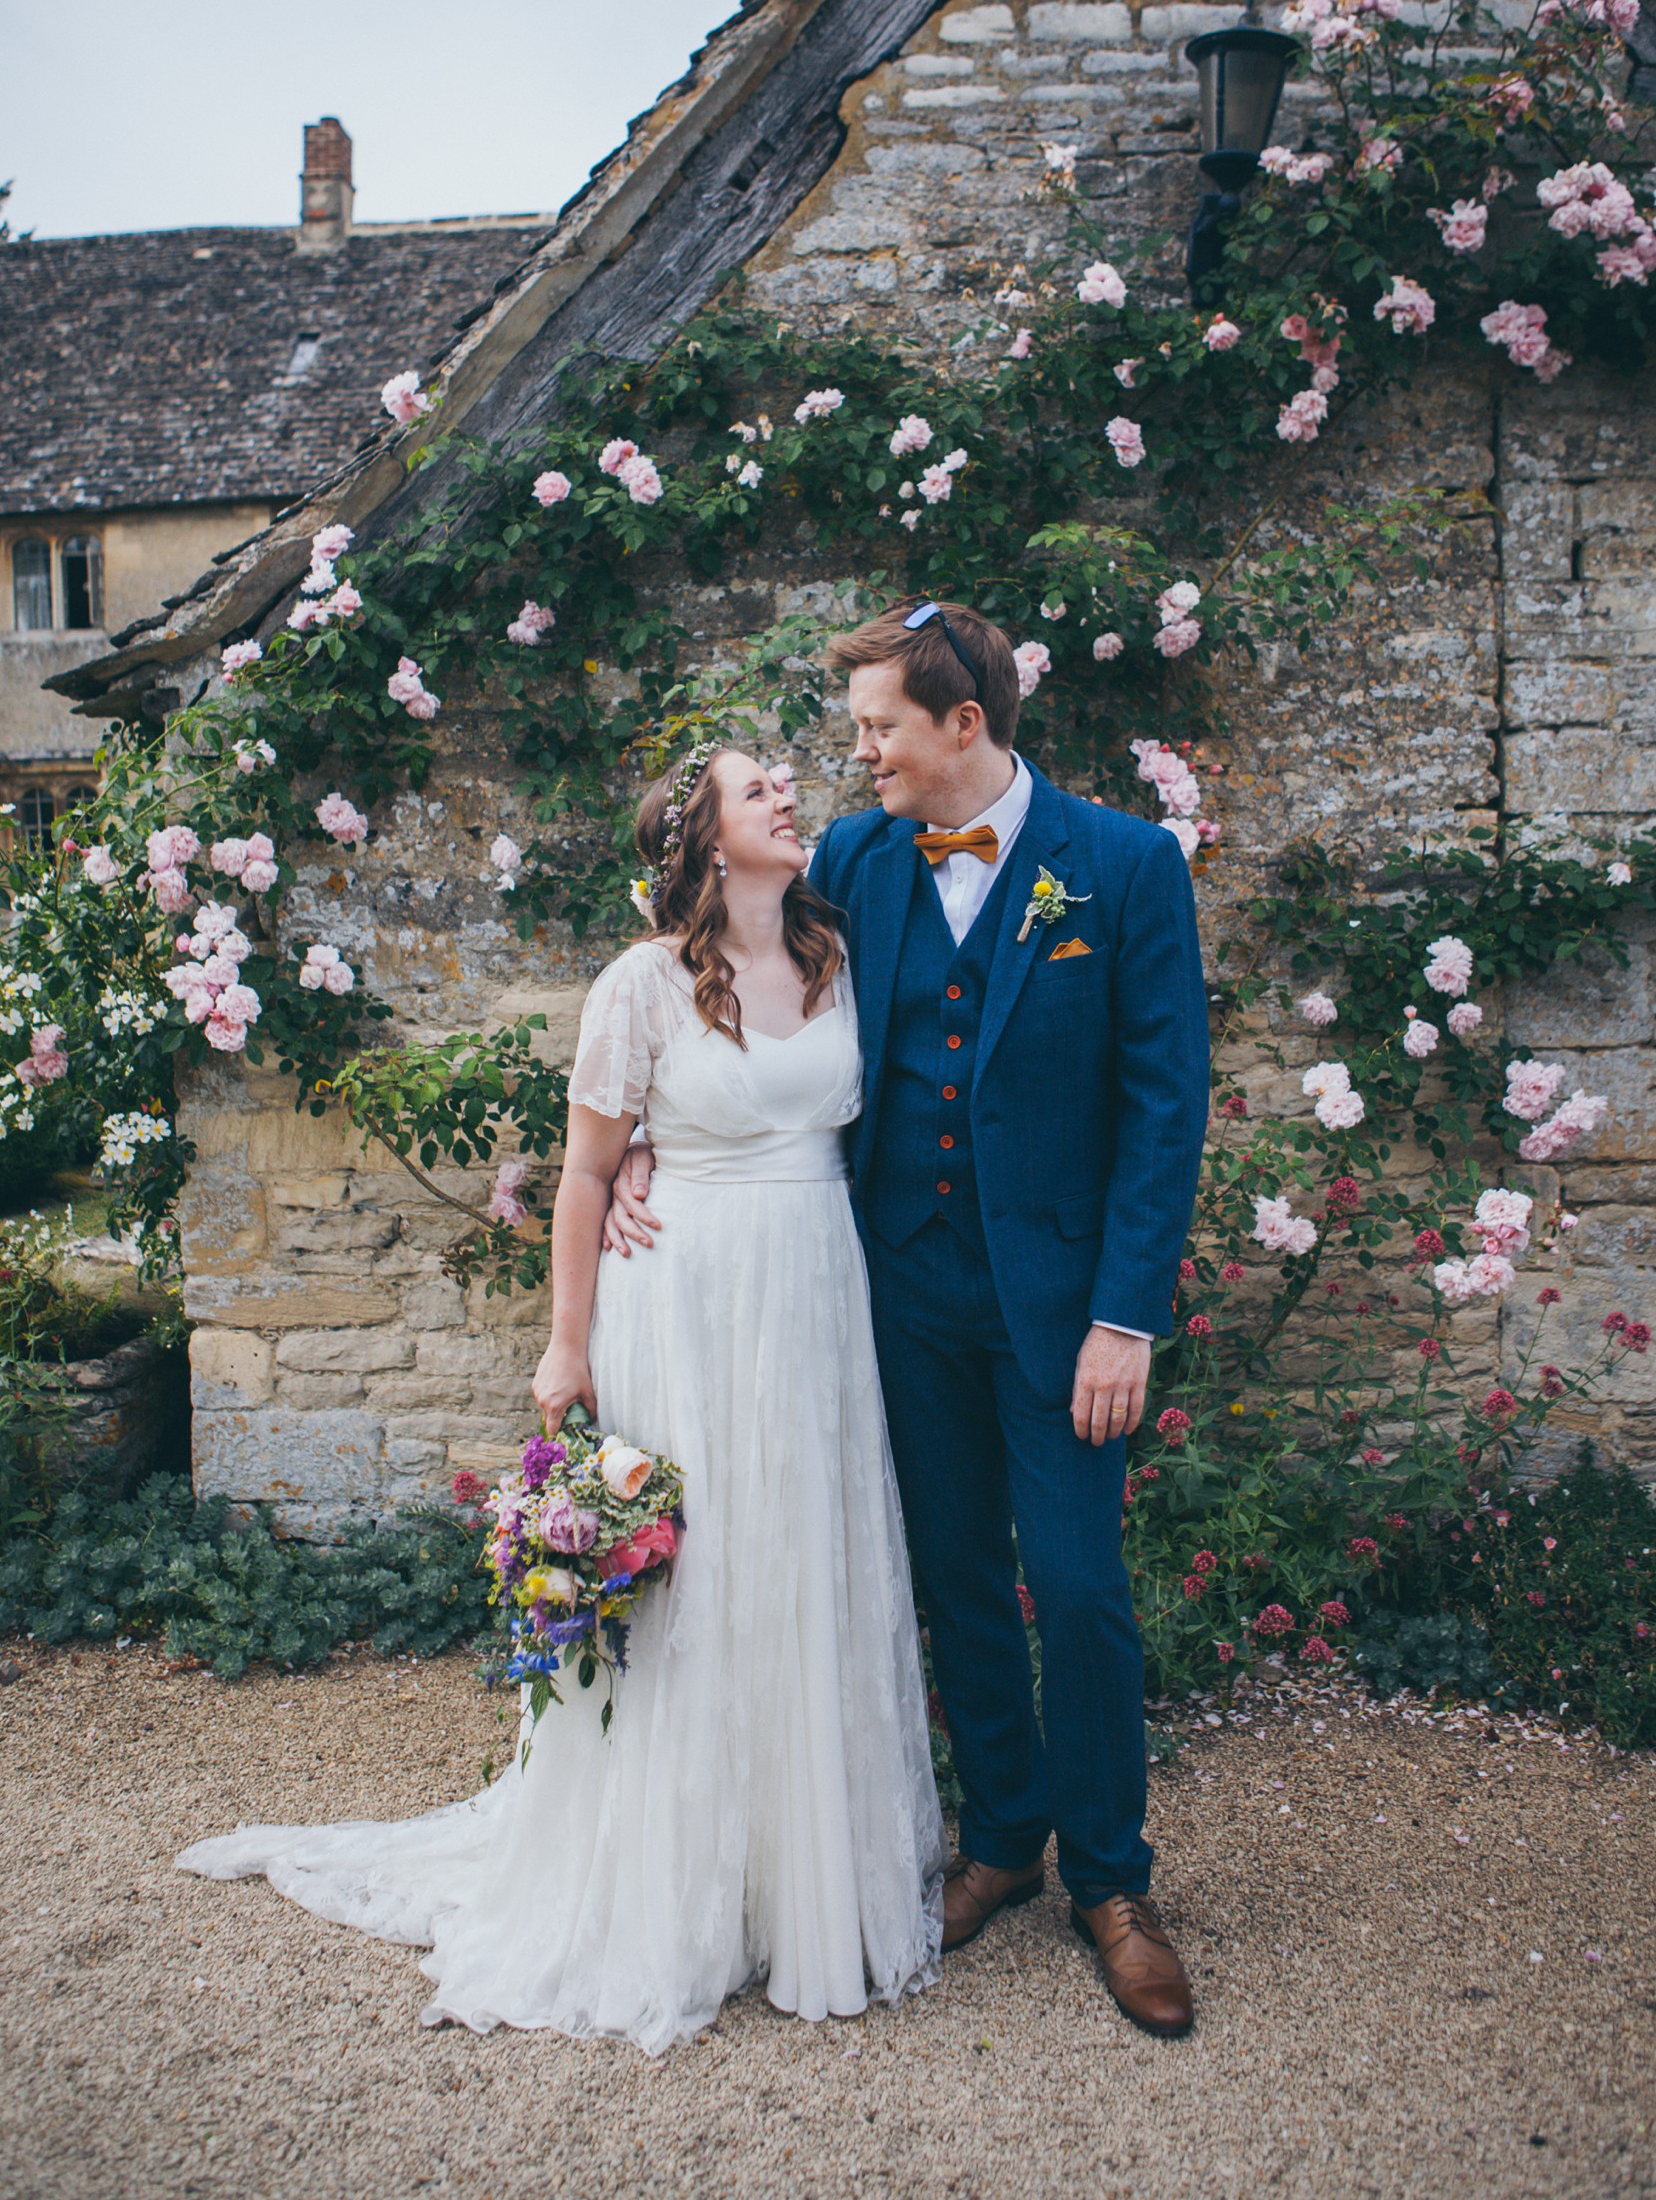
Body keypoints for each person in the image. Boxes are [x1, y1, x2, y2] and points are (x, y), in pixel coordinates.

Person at [177, 744, 946, 2055]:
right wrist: (563, 1351)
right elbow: (587, 1180)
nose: (788, 796)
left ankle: (800, 1883)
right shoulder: (638, 985)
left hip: (816, 1304)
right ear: (705, 843)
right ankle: (678, 1889)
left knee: (801, 1574)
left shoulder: (837, 957)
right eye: (759, 787)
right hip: (686, 1308)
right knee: (701, 1588)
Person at [608, 601, 1210, 2037]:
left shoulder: (1121, 866)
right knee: (950, 1573)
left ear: (963, 724)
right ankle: (1003, 1834)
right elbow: (695, 949)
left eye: (879, 724)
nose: (856, 748)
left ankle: (1113, 1882)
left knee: (1075, 1584)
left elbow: (1164, 1104)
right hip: (895, 1293)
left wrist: (1127, 1314)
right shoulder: (860, 860)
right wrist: (640, 1138)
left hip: (1066, 1312)